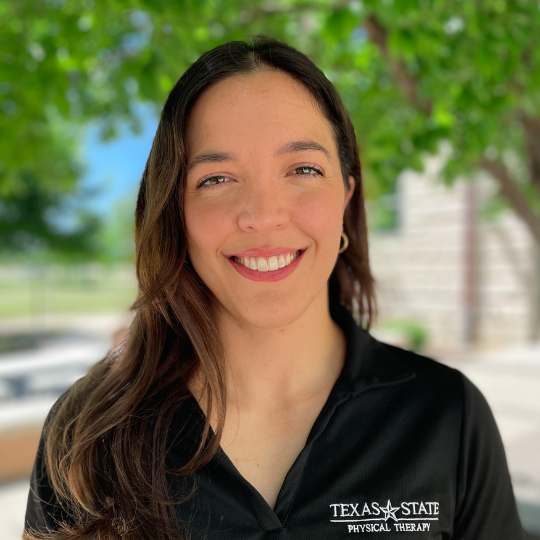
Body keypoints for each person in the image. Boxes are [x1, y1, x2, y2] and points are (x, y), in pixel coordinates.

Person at [24, 36, 526, 540]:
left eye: (304, 169)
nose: (263, 216)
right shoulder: (85, 436)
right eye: (216, 179)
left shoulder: (447, 417)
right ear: (176, 213)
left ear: (347, 200)